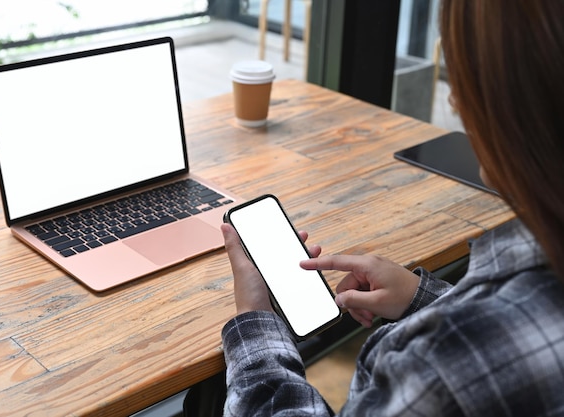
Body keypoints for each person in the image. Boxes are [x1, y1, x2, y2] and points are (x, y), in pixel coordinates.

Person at [218, 1, 564, 416]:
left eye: (468, 73)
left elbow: (477, 350)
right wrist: (425, 299)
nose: (454, 100)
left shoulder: (442, 367)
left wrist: (254, 319)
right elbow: (510, 323)